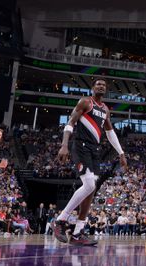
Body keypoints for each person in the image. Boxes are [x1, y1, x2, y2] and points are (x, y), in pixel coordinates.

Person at [54, 78, 127, 246]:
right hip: (81, 146)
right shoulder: (85, 102)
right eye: (98, 84)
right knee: (88, 185)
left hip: (95, 150)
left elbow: (110, 133)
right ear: (93, 88)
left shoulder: (105, 110)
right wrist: (64, 144)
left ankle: (78, 232)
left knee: (91, 190)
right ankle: (60, 220)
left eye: (104, 85)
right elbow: (71, 122)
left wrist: (121, 152)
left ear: (106, 89)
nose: (101, 86)